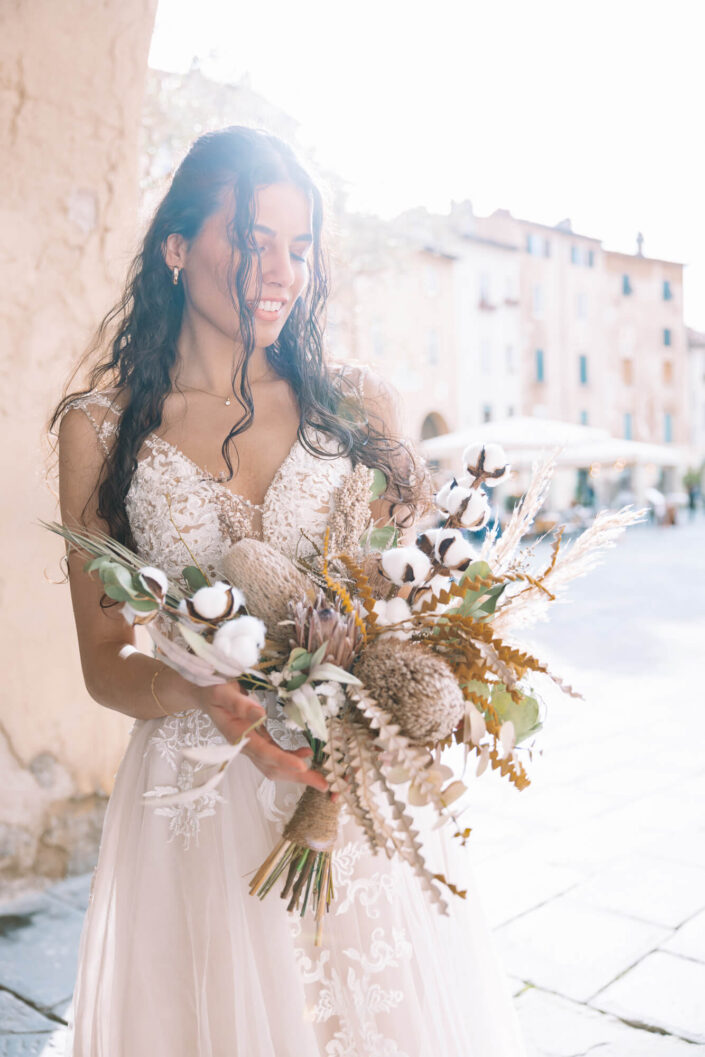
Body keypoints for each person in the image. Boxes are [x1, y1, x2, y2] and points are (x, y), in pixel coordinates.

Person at [51, 126, 526, 1057]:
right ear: (177, 247)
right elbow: (104, 665)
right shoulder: (99, 430)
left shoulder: (353, 404)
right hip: (197, 797)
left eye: (299, 247)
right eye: (253, 240)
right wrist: (201, 691)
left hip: (348, 788)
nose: (281, 272)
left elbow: (407, 601)